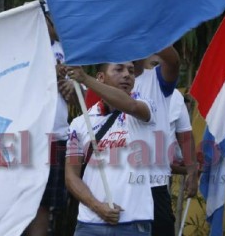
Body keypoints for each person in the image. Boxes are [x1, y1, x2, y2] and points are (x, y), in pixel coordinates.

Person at [65, 63, 156, 236]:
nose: (127, 75)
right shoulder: (80, 122)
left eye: (131, 71)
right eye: (119, 69)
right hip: (89, 224)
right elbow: (71, 176)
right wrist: (97, 207)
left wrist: (85, 78)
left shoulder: (145, 105)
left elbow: (131, 106)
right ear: (101, 77)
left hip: (133, 224)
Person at [133, 48, 197, 236]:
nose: (159, 69)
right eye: (154, 65)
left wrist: (192, 172)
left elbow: (185, 136)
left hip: (156, 183)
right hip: (120, 183)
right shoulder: (113, 85)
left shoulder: (171, 93)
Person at [25, 9, 75, 236]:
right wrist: (48, 72)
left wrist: (72, 88)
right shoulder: (24, 45)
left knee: (44, 204)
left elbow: (78, 97)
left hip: (56, 135)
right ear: (42, 17)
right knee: (18, 199)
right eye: (55, 17)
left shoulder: (67, 51)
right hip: (24, 136)